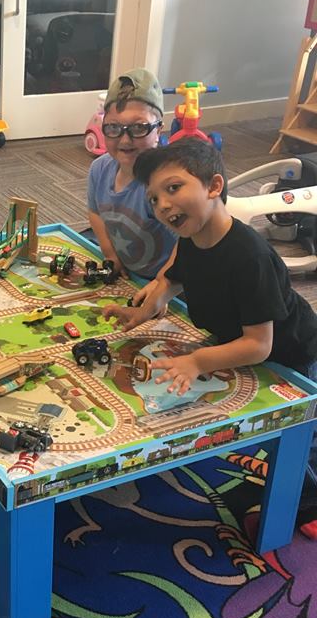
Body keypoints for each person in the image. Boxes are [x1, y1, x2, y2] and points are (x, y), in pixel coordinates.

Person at [103, 138, 317, 540]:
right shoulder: (191, 239)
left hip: (291, 354)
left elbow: (259, 346)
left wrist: (198, 361)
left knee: (300, 439)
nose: (162, 205)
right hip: (233, 341)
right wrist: (142, 310)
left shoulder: (248, 255)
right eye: (153, 199)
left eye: (173, 188)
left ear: (214, 186)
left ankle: (304, 505)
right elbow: (172, 281)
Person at [87, 67, 177, 281]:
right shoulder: (99, 169)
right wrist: (110, 254)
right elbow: (95, 213)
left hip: (172, 280)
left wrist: (163, 284)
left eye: (139, 128)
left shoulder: (165, 184)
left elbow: (189, 244)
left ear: (159, 130)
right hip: (130, 271)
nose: (125, 140)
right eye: (113, 128)